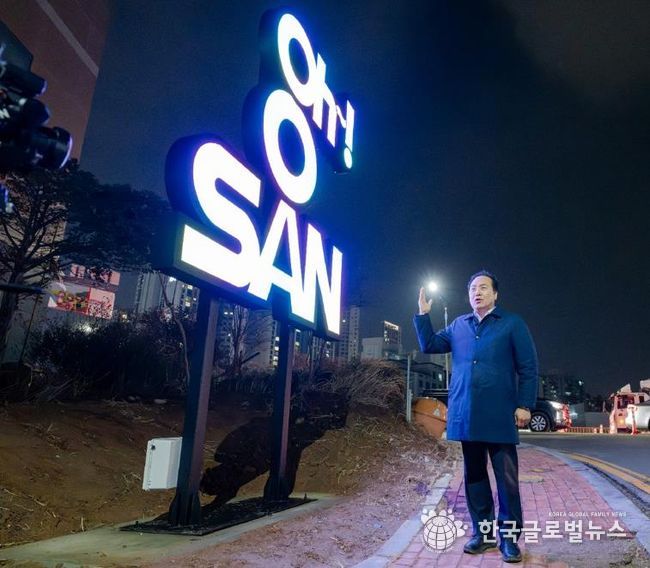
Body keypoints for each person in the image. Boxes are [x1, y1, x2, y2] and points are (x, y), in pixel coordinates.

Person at [413, 270, 538, 564]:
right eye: (472, 289)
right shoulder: (459, 325)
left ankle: (509, 540)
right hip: (467, 414)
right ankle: (483, 535)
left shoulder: (512, 324)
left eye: (483, 288)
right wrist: (423, 315)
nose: (477, 293)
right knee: (474, 477)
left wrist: (525, 404)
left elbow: (529, 367)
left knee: (507, 481)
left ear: (495, 294)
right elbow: (429, 345)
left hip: (499, 415)